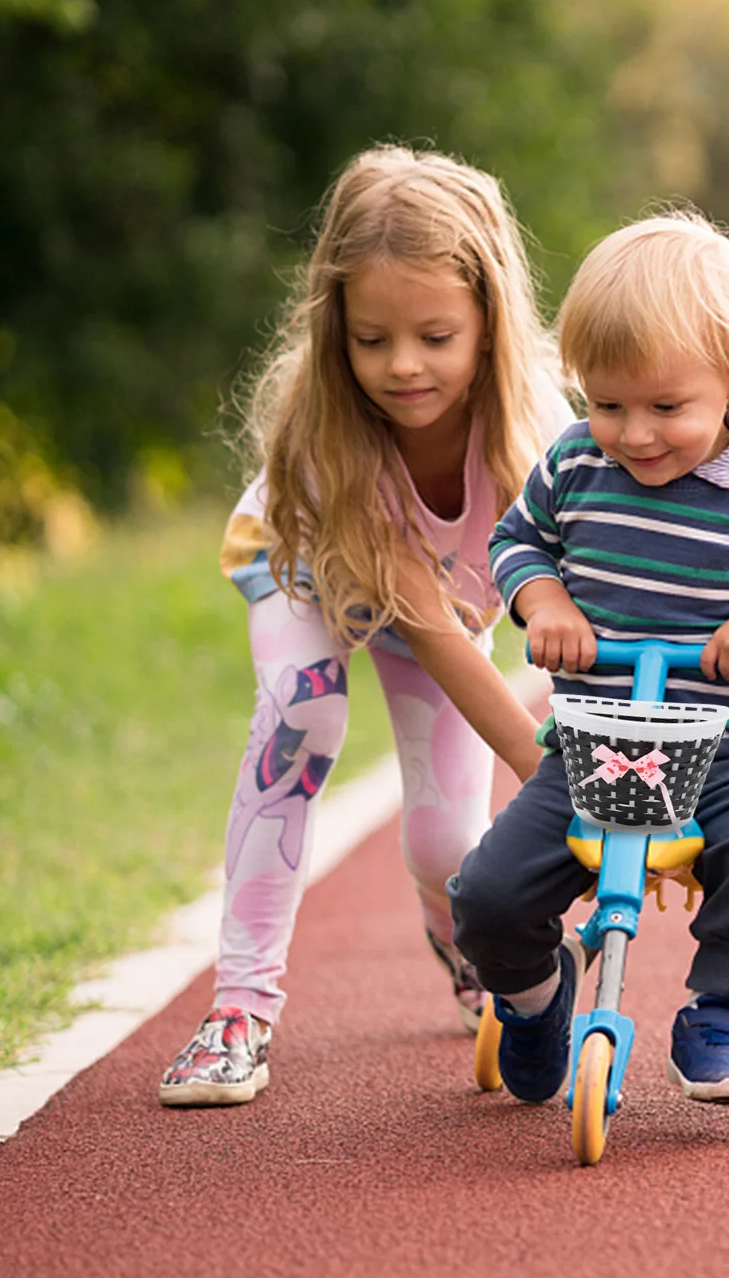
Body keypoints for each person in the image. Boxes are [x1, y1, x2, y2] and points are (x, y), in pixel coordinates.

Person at [160, 146, 571, 1107]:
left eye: (435, 336)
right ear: (334, 326)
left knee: (444, 842)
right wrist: (555, 778)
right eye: (372, 338)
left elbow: (577, 602)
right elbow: (426, 629)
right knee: (305, 715)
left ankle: (464, 940)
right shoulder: (330, 440)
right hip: (310, 567)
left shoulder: (539, 438)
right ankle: (239, 1009)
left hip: (443, 604)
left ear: (490, 324)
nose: (402, 366)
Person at [448, 211, 729, 1108]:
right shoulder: (573, 466)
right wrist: (546, 599)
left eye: (664, 407)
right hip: (588, 752)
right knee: (485, 895)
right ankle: (533, 1001)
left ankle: (720, 1011)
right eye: (607, 404)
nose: (633, 434)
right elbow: (516, 544)